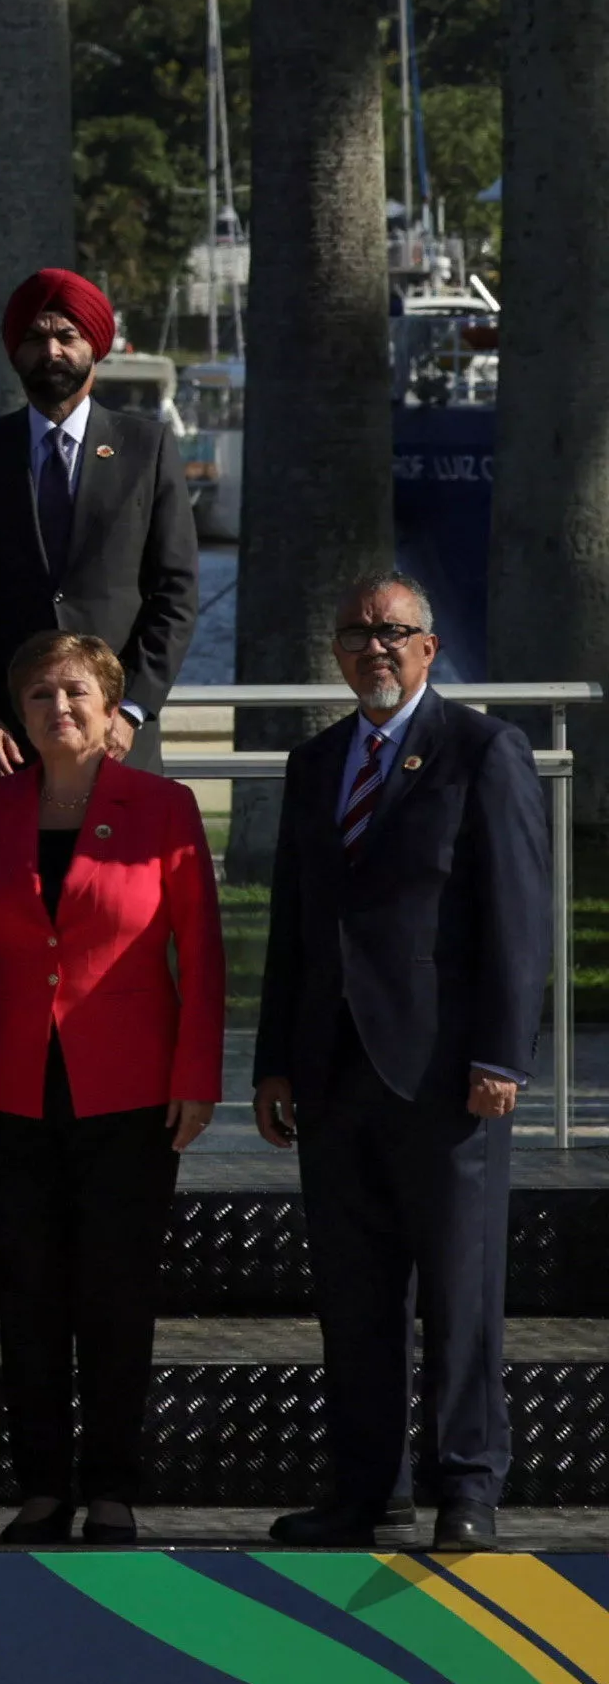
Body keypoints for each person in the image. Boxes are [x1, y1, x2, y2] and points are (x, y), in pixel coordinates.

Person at [262, 579, 548, 1554]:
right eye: (357, 633)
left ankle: (467, 1486)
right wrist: (273, 1063)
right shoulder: (313, 765)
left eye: (393, 632)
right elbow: (296, 929)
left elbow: (517, 916)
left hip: (446, 1076)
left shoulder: (483, 751)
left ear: (429, 648)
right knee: (354, 1299)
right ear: (337, 653)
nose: (374, 647)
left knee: (461, 1294)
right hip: (334, 1077)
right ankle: (365, 1492)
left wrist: (504, 1051)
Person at [0, 628, 224, 1546]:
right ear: (17, 714)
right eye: (40, 697)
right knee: (28, 1293)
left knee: (114, 1291)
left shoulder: (164, 806)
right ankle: (42, 1486)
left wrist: (197, 1076)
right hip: (13, 1085)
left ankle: (110, 1485)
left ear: (110, 714)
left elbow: (204, 956)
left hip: (130, 1089)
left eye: (76, 696)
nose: (59, 710)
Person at [0, 269, 208, 779]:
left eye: (66, 336)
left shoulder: (148, 448)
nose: (51, 351)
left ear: (94, 346)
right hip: (6, 747)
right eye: (34, 337)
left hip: (118, 740)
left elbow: (175, 595)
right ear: (14, 351)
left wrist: (131, 710)